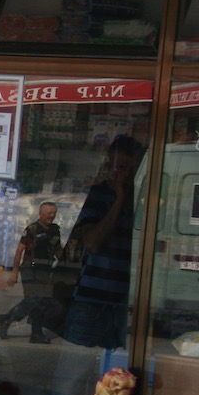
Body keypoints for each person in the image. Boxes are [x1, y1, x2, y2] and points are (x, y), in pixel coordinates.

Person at [62, 136, 144, 351]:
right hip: (92, 301)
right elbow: (92, 242)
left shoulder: (142, 201)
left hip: (124, 304)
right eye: (120, 168)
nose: (125, 174)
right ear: (110, 167)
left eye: (131, 169)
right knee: (75, 370)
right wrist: (118, 200)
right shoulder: (99, 196)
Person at [0, 201, 62, 343]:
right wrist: (14, 273)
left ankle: (34, 333)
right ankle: (8, 319)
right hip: (30, 269)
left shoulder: (54, 230)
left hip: (45, 271)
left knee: (40, 302)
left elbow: (58, 250)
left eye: (54, 213)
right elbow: (19, 251)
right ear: (41, 214)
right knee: (35, 299)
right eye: (49, 213)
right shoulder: (32, 229)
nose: (51, 216)